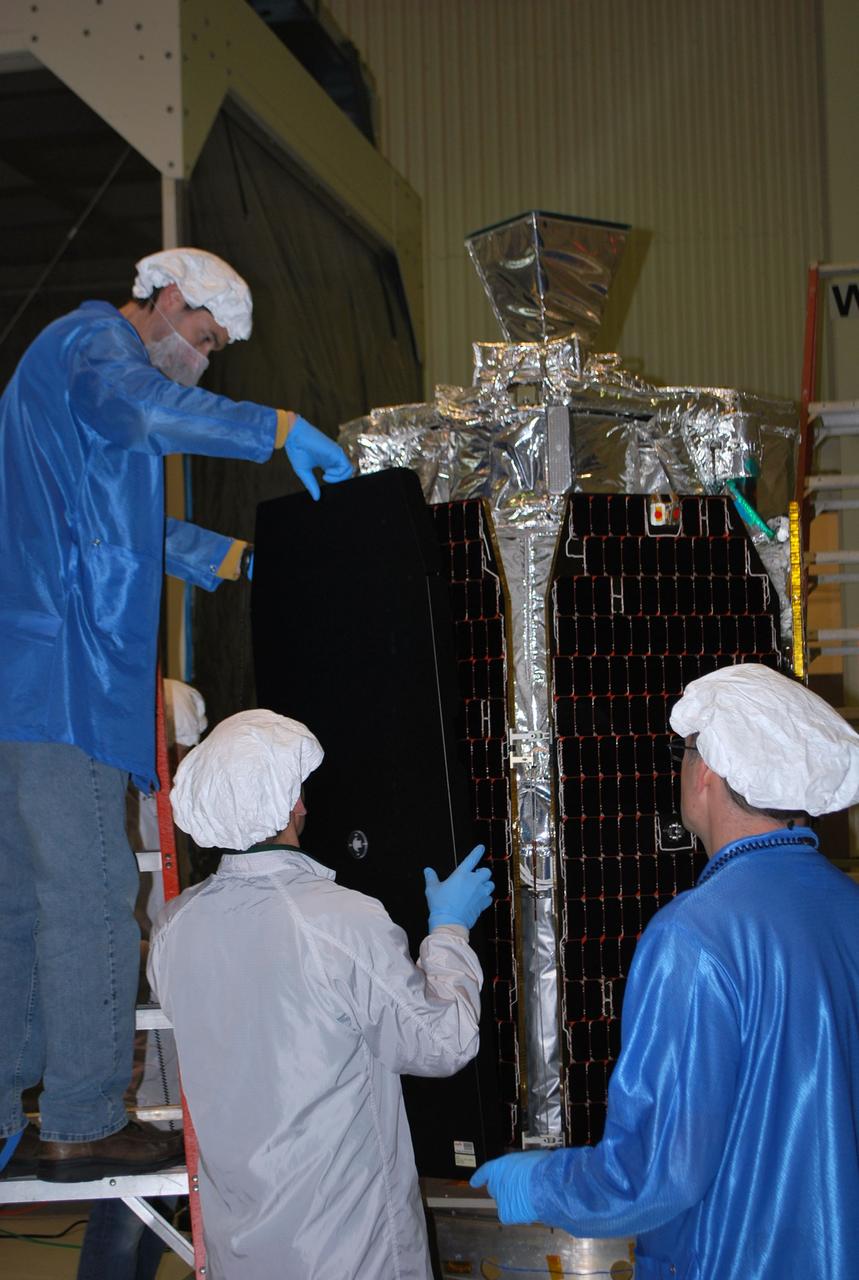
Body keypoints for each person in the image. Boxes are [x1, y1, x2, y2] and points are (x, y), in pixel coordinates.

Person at [0, 248, 353, 1182]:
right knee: (87, 900)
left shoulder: (69, 367)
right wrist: (274, 427)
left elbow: (115, 524)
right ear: (164, 298)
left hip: (23, 671)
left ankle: (3, 1111)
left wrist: (231, 561)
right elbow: (147, 413)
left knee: (16, 903)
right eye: (200, 339)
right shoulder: (95, 347)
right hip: (62, 674)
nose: (198, 361)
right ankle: (78, 1114)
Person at [471, 662, 859, 1279]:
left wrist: (540, 1183)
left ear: (706, 770)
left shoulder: (694, 937)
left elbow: (655, 1174)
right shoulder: (848, 909)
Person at [148, 709, 494, 1280]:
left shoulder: (174, 927)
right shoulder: (338, 922)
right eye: (298, 787)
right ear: (291, 804)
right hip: (348, 1252)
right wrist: (449, 933)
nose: (305, 801)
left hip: (240, 1251)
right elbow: (444, 1041)